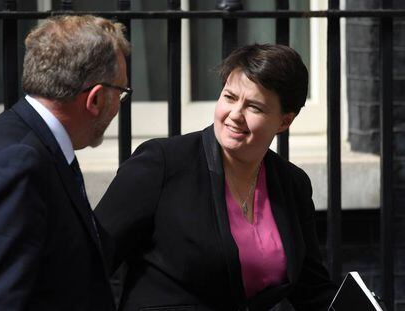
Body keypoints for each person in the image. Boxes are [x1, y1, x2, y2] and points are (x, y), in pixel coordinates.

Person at [95, 43, 337, 311]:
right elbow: (90, 261)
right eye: (230, 97)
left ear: (284, 122)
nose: (235, 115)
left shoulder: (292, 184)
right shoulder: (162, 163)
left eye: (254, 107)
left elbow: (312, 289)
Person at [0, 15, 130, 311]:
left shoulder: (37, 145)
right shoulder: (21, 162)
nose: (119, 103)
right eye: (121, 92)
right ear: (95, 100)